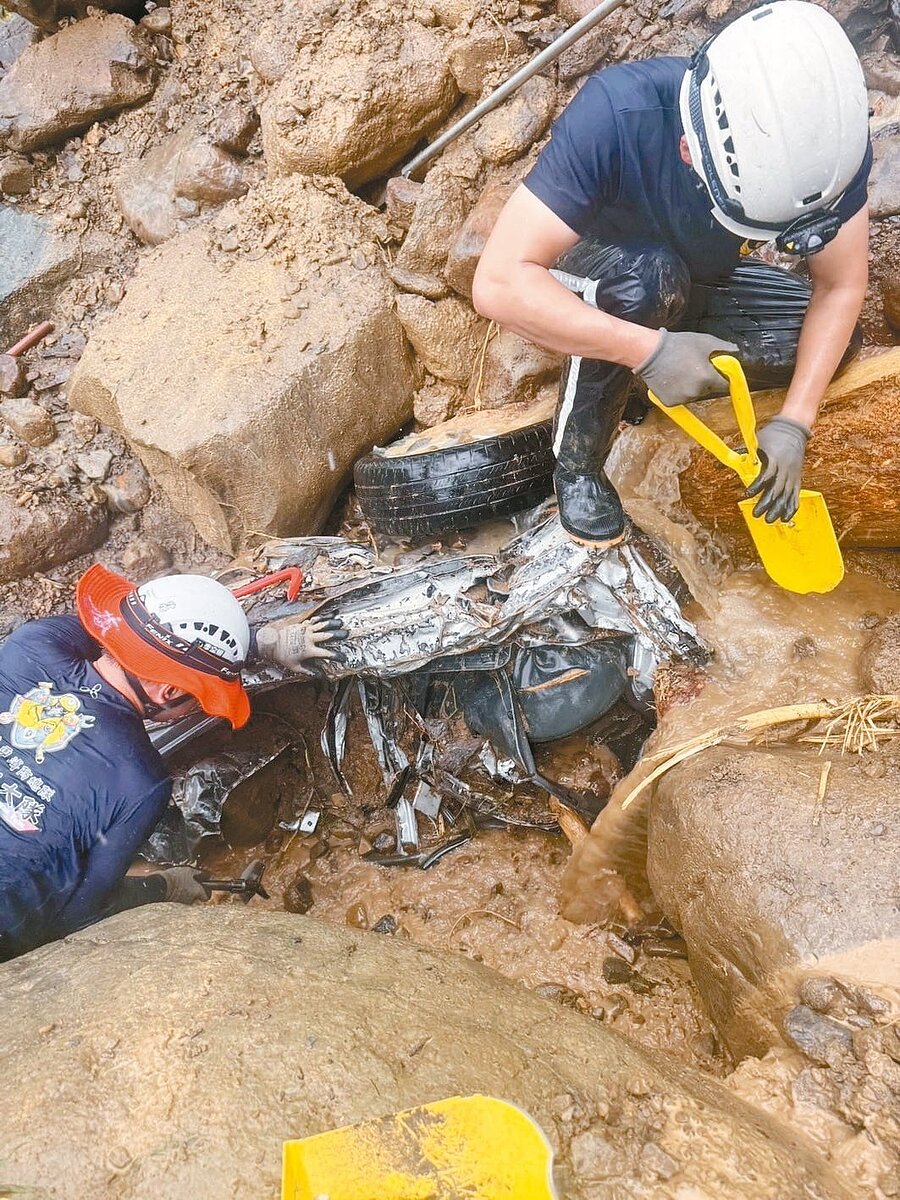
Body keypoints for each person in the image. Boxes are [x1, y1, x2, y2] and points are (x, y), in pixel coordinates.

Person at [472, 0, 871, 547]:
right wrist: (647, 351)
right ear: (688, 151)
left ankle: (646, 383)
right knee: (650, 282)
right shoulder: (615, 114)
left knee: (833, 342)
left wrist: (795, 421)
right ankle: (578, 463)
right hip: (603, 270)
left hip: (701, 275)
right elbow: (497, 282)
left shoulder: (823, 153)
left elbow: (841, 285)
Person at [0, 564, 342, 959]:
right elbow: (79, 914)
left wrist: (259, 644)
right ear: (169, 692)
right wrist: (167, 886)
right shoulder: (139, 782)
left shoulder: (31, 644)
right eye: (203, 697)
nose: (202, 707)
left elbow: (125, 638)